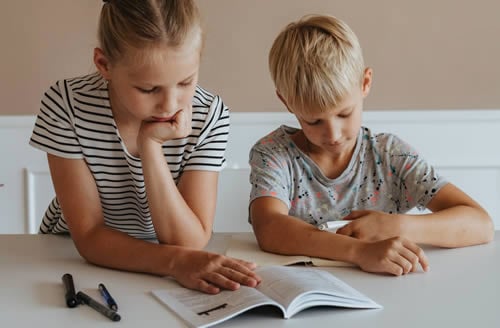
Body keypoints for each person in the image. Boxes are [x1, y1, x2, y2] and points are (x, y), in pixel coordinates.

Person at [29, 0, 260, 294]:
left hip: (169, 260)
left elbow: (188, 241)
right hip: (67, 259)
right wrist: (176, 263)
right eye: (149, 89)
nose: (170, 104)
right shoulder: (66, 106)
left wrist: (150, 147)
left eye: (186, 82)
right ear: (104, 65)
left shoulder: (209, 114)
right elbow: (89, 236)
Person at [249, 14, 494, 276]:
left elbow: (481, 224)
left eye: (344, 114)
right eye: (314, 121)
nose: (333, 134)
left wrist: (397, 227)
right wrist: (359, 252)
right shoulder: (274, 154)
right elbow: (270, 228)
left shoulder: (390, 155)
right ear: (286, 102)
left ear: (365, 83)